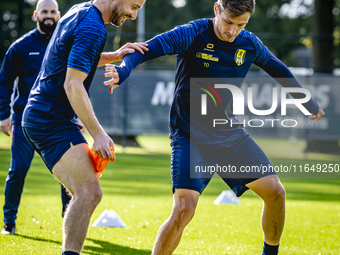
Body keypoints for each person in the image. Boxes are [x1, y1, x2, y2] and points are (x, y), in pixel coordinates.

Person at [105, 0, 325, 254]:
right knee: (184, 209)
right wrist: (123, 70)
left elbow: (280, 70)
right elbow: (144, 50)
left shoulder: (250, 44)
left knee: (276, 193)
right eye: (229, 22)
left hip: (228, 136)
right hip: (189, 137)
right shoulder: (192, 33)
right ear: (217, 9)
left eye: (241, 25)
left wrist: (307, 101)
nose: (232, 31)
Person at [21, 0, 148, 254]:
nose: (134, 15)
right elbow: (72, 85)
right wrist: (98, 134)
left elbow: (74, 56)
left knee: (86, 191)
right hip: (50, 120)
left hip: (45, 116)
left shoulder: (80, 10)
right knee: (89, 192)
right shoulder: (93, 27)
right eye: (134, 6)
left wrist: (112, 57)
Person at [0, 0, 73, 236]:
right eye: (45, 12)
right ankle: (8, 223)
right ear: (36, 15)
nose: (49, 16)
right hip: (24, 121)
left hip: (59, 122)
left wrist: (78, 116)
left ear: (59, 15)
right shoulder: (21, 47)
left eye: (53, 12)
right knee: (18, 170)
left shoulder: (66, 44)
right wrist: (3, 115)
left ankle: (69, 222)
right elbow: (4, 82)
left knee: (69, 175)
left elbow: (78, 81)